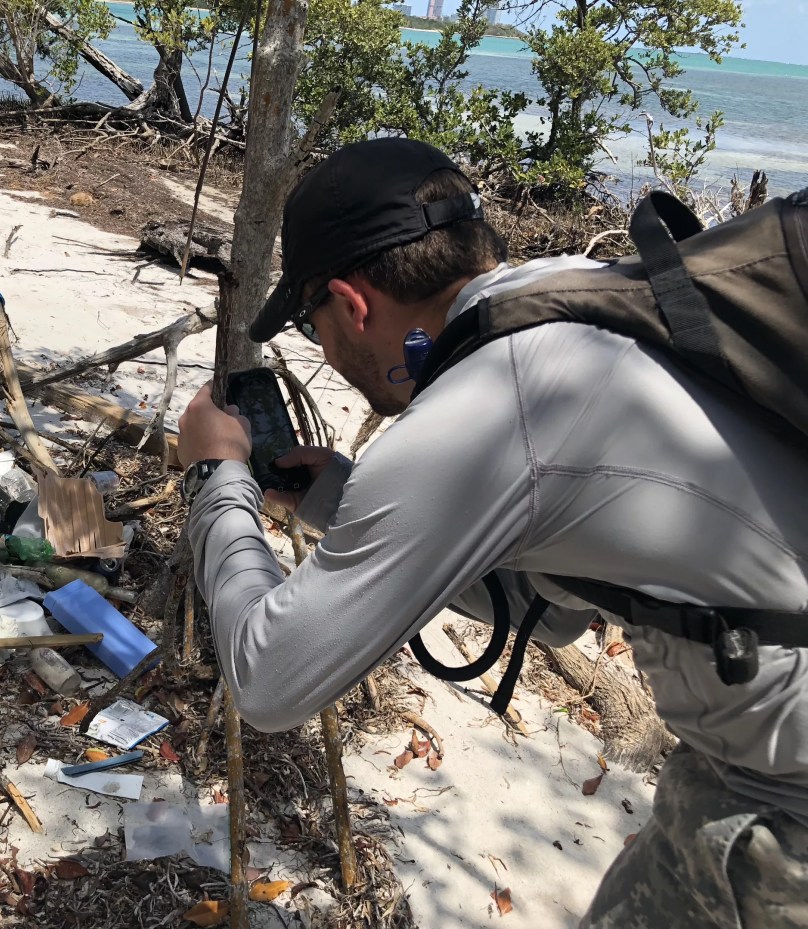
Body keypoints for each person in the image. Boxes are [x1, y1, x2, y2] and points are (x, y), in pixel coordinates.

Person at [175, 137, 808, 928]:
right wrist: (337, 497)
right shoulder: (575, 297)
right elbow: (565, 602)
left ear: (353, 303)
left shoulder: (486, 402)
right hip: (742, 771)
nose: (326, 349)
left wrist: (215, 479)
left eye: (313, 322)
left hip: (783, 812)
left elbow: (269, 682)